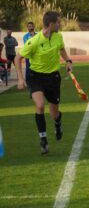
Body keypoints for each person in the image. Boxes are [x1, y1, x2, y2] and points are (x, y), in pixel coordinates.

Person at [15, 11, 73, 154]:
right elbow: (17, 59)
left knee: (54, 113)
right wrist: (21, 79)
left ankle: (57, 123)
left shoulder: (58, 37)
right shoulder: (34, 41)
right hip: (36, 78)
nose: (60, 25)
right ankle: (43, 140)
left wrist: (68, 61)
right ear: (51, 24)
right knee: (40, 105)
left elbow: (62, 50)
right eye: (58, 22)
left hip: (53, 78)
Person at [23, 22, 37, 90]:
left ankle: (37, 82)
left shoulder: (38, 35)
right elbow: (28, 45)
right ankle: (28, 83)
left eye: (31, 26)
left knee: (37, 69)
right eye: (29, 26)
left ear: (34, 26)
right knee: (28, 69)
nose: (30, 27)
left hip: (37, 56)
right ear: (27, 28)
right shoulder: (25, 36)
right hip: (28, 56)